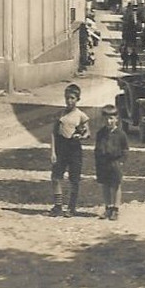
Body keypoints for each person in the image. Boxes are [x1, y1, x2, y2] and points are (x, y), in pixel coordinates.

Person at [50, 84, 89, 217]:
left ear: (78, 99)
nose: (69, 101)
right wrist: (53, 152)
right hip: (61, 146)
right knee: (55, 177)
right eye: (67, 98)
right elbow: (53, 133)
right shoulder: (60, 114)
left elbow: (87, 132)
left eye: (72, 98)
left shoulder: (81, 115)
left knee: (74, 179)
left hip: (74, 148)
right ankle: (58, 206)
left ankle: (71, 207)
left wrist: (81, 135)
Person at [94, 103, 129, 220]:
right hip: (103, 163)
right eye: (106, 119)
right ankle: (108, 207)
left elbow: (125, 149)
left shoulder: (121, 134)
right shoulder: (100, 133)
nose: (109, 121)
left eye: (111, 118)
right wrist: (98, 161)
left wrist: (122, 162)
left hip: (115, 162)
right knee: (105, 185)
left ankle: (115, 208)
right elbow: (97, 148)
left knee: (116, 185)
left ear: (116, 119)